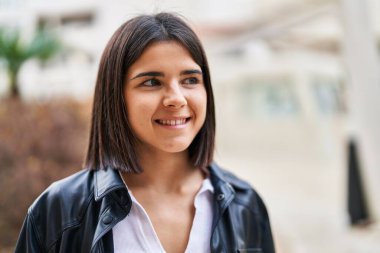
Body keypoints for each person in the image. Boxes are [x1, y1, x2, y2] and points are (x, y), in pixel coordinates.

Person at [15, 13, 275, 253]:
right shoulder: (56, 212)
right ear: (116, 97)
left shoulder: (246, 206)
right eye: (151, 82)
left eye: (190, 80)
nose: (176, 98)